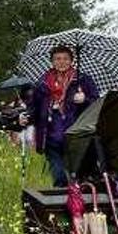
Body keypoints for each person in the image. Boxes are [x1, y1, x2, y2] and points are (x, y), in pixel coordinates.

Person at [25, 45, 99, 187]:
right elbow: (34, 107)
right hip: (51, 136)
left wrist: (85, 100)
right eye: (57, 59)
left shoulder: (83, 79)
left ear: (72, 60)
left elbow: (96, 104)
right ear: (52, 62)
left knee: (80, 178)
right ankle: (62, 205)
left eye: (65, 58)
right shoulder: (42, 83)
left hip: (77, 136)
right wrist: (26, 118)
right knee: (59, 178)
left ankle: (80, 206)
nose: (61, 62)